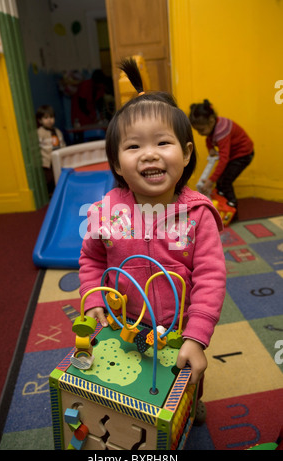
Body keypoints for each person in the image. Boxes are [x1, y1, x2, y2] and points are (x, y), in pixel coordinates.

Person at [79, 58, 226, 423]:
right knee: (132, 385)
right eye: (133, 147)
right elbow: (92, 260)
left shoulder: (197, 214)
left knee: (185, 374)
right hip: (124, 321)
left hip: (180, 325)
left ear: (187, 153)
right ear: (115, 163)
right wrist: (94, 295)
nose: (149, 154)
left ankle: (190, 404)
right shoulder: (106, 211)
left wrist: (197, 334)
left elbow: (211, 277)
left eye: (163, 142)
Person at [189, 99, 254, 208]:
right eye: (197, 131)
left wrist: (211, 180)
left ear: (211, 120)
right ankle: (222, 202)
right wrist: (210, 148)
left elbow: (224, 159)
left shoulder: (222, 131)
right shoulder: (214, 125)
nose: (200, 134)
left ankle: (232, 206)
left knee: (225, 181)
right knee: (220, 182)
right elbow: (209, 137)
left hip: (243, 154)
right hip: (233, 154)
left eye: (201, 130)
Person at [36, 105, 66, 195]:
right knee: (49, 178)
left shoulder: (57, 131)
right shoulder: (40, 132)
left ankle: (58, 192)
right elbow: (37, 147)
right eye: (46, 118)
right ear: (40, 120)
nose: (49, 120)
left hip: (58, 160)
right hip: (47, 162)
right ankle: (50, 193)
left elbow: (62, 144)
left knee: (59, 176)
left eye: (51, 117)